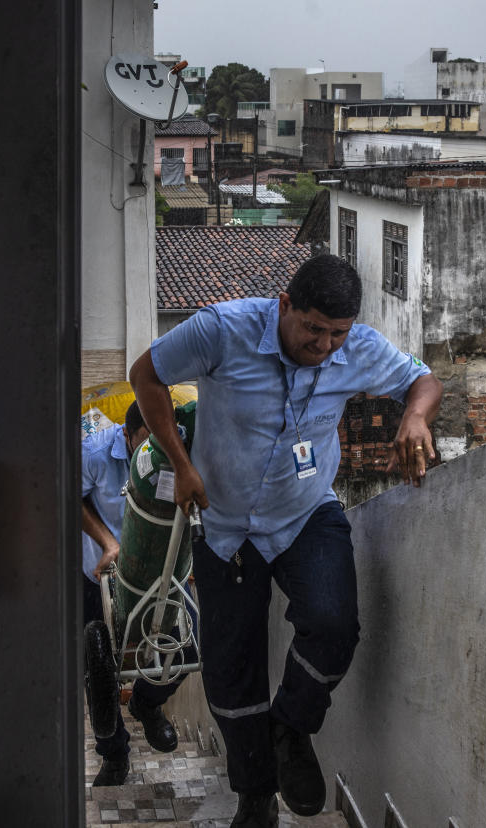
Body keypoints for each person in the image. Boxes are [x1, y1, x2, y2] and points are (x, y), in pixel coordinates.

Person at [129, 254, 442, 827]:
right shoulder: (223, 330)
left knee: (333, 623)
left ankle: (291, 728)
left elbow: (422, 380)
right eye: (313, 329)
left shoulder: (360, 346)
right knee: (228, 669)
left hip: (305, 514)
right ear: (285, 306)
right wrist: (182, 463)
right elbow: (145, 375)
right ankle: (254, 797)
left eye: (337, 334)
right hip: (224, 523)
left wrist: (416, 417)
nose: (324, 345)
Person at [81, 400, 190, 786]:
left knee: (183, 652)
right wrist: (109, 543)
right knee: (99, 674)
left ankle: (147, 704)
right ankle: (114, 755)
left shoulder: (177, 449)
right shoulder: (94, 453)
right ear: (126, 436)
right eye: (144, 442)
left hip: (155, 574)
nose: (152, 450)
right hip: (101, 571)